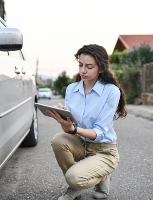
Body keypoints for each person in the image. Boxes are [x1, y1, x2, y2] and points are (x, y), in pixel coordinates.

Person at [47, 44, 127, 200]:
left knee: (73, 177)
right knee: (58, 140)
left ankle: (97, 176)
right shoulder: (71, 89)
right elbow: (69, 130)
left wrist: (74, 129)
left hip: (104, 150)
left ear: (101, 68)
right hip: (81, 144)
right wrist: (64, 121)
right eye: (80, 65)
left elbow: (99, 133)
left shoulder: (111, 91)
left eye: (89, 67)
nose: (83, 70)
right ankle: (79, 182)